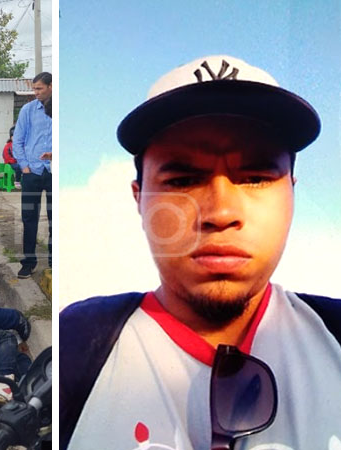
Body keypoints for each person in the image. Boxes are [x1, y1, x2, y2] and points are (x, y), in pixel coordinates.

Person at [60, 55, 341, 449]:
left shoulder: (333, 336)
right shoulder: (77, 345)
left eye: (255, 177)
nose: (220, 213)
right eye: (183, 180)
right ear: (140, 198)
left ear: (292, 192)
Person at [12, 72, 52, 279]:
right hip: (32, 171)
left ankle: (54, 261)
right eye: (34, 88)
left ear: (51, 87)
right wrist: (25, 166)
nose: (36, 92)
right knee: (29, 218)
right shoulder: (28, 110)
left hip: (54, 171)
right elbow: (17, 140)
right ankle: (28, 262)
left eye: (39, 88)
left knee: (55, 217)